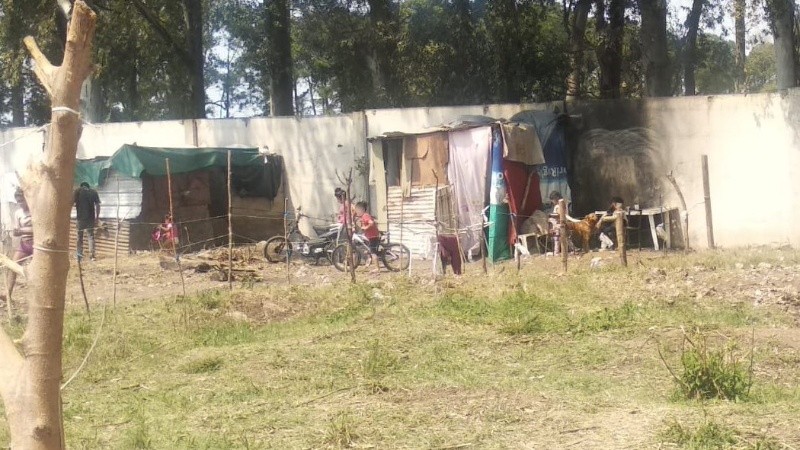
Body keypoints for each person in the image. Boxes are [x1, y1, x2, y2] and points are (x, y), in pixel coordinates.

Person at [6, 188, 33, 300]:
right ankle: (7, 293)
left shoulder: (35, 211)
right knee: (13, 266)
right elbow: (17, 231)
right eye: (18, 201)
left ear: (27, 199)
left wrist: (22, 230)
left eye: (22, 200)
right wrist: (16, 232)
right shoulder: (18, 213)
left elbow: (39, 230)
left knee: (37, 270)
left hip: (37, 245)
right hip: (24, 244)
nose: (20, 203)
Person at [74, 182, 101, 261]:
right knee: (91, 237)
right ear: (88, 186)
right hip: (90, 218)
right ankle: (92, 256)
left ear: (81, 186)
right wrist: (97, 217)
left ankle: (79, 256)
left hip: (80, 219)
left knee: (79, 237)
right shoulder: (93, 192)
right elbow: (98, 205)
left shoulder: (78, 192)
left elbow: (71, 202)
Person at [547, 191, 579, 255]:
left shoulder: (558, 206)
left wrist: (552, 215)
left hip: (559, 224)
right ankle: (573, 249)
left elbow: (560, 214)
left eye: (553, 200)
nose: (552, 202)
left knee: (557, 239)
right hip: (563, 223)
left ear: (556, 198)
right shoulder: (564, 204)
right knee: (566, 237)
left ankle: (556, 252)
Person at [354, 201, 380, 271]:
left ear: (362, 210)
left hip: (373, 236)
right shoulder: (363, 216)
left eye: (357, 210)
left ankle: (377, 268)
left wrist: (366, 227)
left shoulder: (365, 215)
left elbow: (371, 223)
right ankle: (367, 264)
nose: (356, 212)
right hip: (370, 236)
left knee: (373, 252)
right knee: (367, 250)